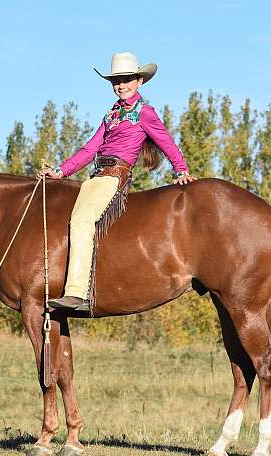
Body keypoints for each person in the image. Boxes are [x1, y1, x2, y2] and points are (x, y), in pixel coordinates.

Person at [37, 52, 196, 312]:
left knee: (81, 221)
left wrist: (181, 169)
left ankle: (77, 293)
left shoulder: (145, 113)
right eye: (116, 81)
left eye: (126, 80)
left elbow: (165, 140)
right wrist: (61, 172)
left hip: (114, 178)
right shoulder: (111, 115)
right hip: (95, 178)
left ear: (139, 82)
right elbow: (90, 150)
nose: (121, 85)